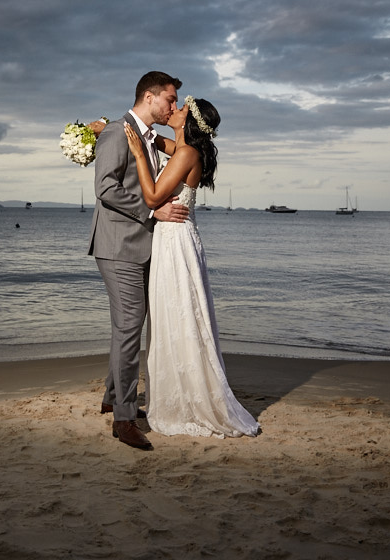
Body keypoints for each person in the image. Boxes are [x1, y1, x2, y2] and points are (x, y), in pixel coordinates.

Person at [123, 95, 260, 438]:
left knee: (176, 312)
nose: (174, 110)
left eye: (181, 108)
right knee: (181, 312)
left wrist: (139, 155)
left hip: (174, 241)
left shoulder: (185, 154)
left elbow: (154, 197)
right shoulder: (183, 149)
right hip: (182, 239)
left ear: (189, 121)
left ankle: (184, 401)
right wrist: (122, 134)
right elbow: (161, 141)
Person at [87, 71, 190, 451]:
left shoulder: (142, 135)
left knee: (127, 326)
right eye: (169, 99)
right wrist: (153, 212)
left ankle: (113, 396)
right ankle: (125, 419)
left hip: (139, 246)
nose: (173, 107)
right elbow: (105, 188)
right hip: (118, 246)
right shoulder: (117, 132)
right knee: (131, 325)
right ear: (149, 97)